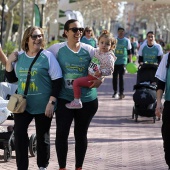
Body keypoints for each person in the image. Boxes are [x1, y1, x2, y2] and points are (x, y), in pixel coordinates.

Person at [47, 19, 103, 170]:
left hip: (87, 99)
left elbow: (101, 66)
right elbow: (42, 59)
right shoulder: (56, 49)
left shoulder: (89, 50)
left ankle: (79, 167)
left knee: (80, 134)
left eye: (81, 29)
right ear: (66, 32)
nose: (78, 32)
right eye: (74, 29)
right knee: (62, 133)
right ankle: (62, 167)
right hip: (65, 98)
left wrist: (100, 80)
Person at [5, 26, 62, 170]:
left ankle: (42, 166)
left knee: (42, 137)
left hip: (44, 105)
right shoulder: (20, 57)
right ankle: (22, 167)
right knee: (19, 134)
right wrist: (8, 62)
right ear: (27, 39)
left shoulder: (47, 57)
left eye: (40, 36)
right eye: (35, 36)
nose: (38, 39)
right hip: (22, 105)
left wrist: (52, 102)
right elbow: (12, 79)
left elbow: (57, 81)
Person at [65, 30, 117, 109]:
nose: (104, 45)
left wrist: (101, 72)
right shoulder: (97, 51)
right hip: (90, 74)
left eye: (107, 44)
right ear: (98, 42)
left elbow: (110, 70)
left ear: (111, 46)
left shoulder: (109, 57)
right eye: (102, 42)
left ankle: (77, 101)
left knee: (76, 82)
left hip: (93, 78)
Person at [155, 52, 170, 170]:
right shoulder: (168, 57)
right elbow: (161, 83)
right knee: (167, 136)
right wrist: (159, 102)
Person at [112, 27, 132, 99]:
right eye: (119, 31)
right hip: (114, 61)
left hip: (123, 61)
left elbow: (129, 52)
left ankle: (121, 93)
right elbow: (110, 50)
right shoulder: (114, 40)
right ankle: (115, 92)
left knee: (121, 77)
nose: (121, 32)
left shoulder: (127, 41)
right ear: (117, 32)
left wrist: (130, 62)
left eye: (122, 31)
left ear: (124, 32)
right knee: (114, 77)